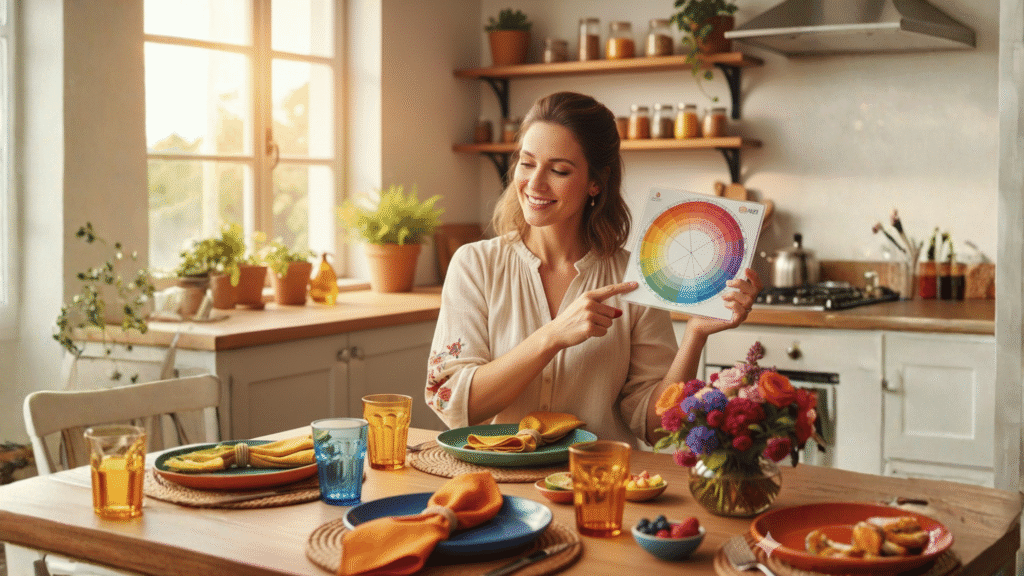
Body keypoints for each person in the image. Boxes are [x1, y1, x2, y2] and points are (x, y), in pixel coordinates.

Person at [425, 91, 762, 447]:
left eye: (558, 170)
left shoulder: (633, 280)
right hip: (503, 490)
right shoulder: (475, 265)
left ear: (595, 183)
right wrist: (552, 336)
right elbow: (452, 404)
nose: (535, 183)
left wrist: (695, 334)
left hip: (600, 484)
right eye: (526, 163)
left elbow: (658, 428)